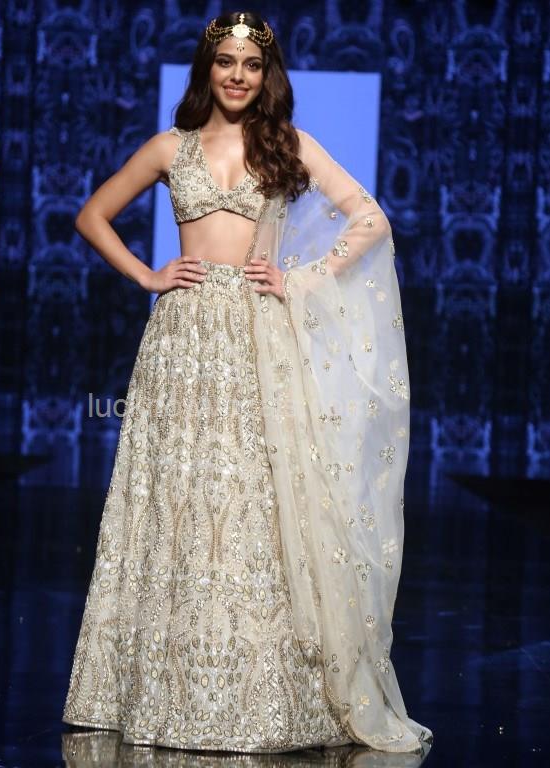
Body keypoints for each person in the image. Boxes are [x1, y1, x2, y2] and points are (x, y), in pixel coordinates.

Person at [62, 10, 433, 755]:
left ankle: (260, 690)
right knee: (176, 496)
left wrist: (305, 278)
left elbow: (369, 219)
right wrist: (148, 275)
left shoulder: (284, 143)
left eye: (251, 65)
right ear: (207, 68)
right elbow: (92, 215)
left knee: (257, 501)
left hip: (260, 333)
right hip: (181, 337)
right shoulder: (169, 147)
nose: (237, 75)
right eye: (226, 61)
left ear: (267, 76)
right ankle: (153, 685)